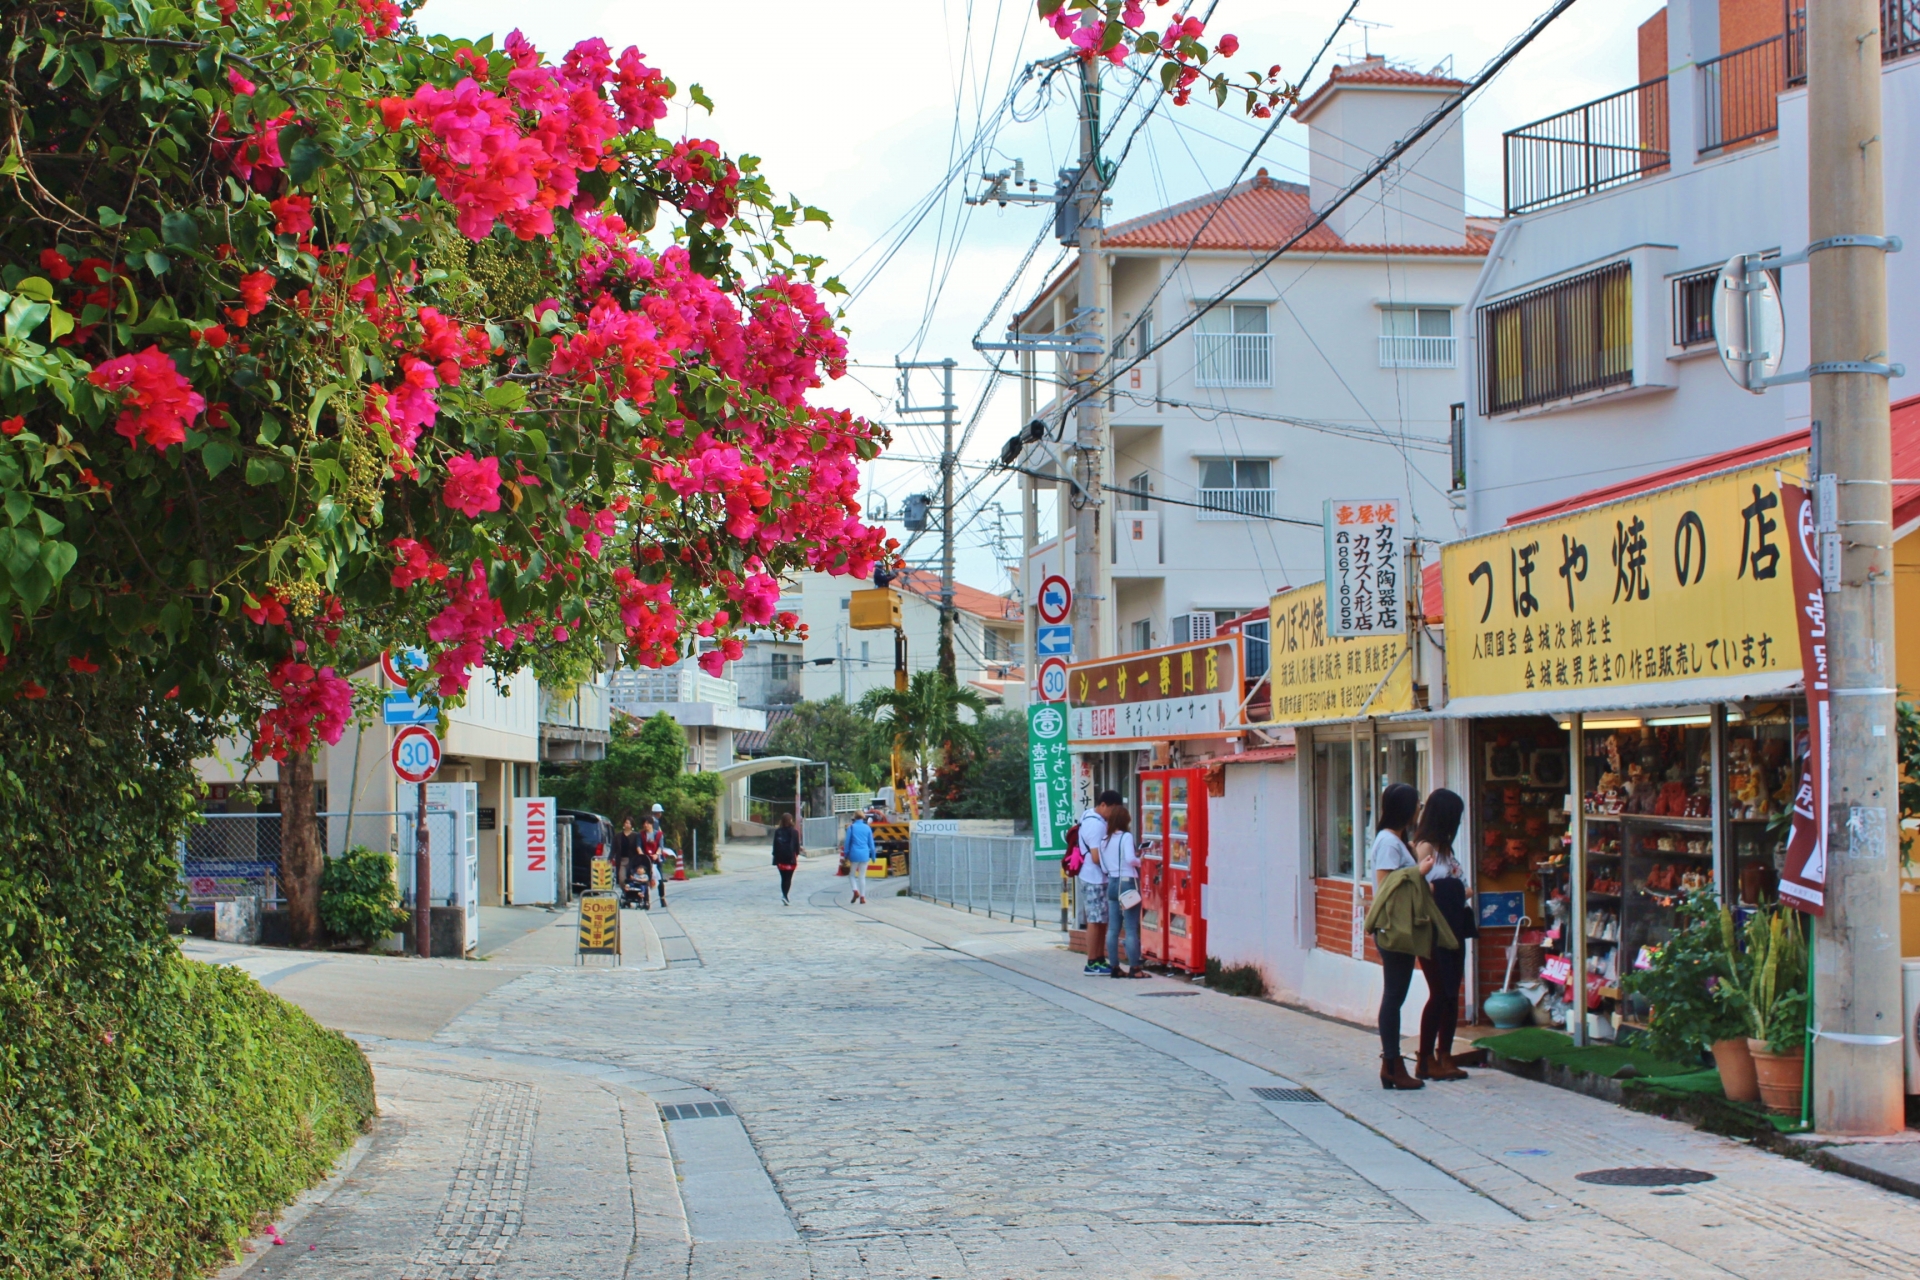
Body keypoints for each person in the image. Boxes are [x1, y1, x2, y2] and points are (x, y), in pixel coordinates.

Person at [1369, 783, 1428, 1090]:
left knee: (1396, 995)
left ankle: (1391, 1064)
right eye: (1417, 804)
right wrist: (1420, 872)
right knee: (1394, 996)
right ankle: (1392, 1062)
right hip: (1393, 927)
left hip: (1400, 926)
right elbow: (1387, 886)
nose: (1419, 809)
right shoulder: (1388, 843)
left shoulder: (1397, 841)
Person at [1414, 789, 1474, 1082]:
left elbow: (1465, 887)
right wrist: (1452, 890)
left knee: (1452, 993)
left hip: (1455, 925)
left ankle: (1445, 1054)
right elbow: (1416, 887)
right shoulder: (1425, 847)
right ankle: (1425, 1057)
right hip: (1432, 929)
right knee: (1438, 992)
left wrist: (1455, 890)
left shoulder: (1446, 850)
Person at [1101, 802, 1147, 978]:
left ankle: (1114, 967)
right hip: (1127, 883)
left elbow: (1103, 866)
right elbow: (1130, 859)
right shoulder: (1126, 837)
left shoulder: (1104, 840)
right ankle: (1135, 968)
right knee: (1130, 928)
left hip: (1112, 883)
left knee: (1113, 929)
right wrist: (1140, 860)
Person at [1075, 791, 1117, 974]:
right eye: (1113, 809)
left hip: (1094, 877)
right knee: (1094, 920)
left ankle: (1099, 959)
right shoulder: (1096, 825)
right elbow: (1096, 857)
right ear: (1104, 805)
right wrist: (1114, 864)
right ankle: (1092, 962)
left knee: (1101, 920)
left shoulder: (1089, 816)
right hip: (1094, 878)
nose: (1114, 814)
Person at [843, 811, 876, 904]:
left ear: (854, 817)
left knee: (852, 875)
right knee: (862, 876)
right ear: (863, 817)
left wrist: (845, 854)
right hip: (865, 854)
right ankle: (862, 897)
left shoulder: (851, 828)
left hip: (854, 854)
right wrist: (873, 856)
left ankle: (855, 891)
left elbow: (847, 843)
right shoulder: (867, 828)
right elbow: (871, 844)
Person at [772, 812, 801, 904]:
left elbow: (775, 845)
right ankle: (785, 895)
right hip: (790, 858)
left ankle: (784, 895)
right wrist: (797, 853)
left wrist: (775, 856)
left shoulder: (778, 831)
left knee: (783, 878)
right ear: (791, 820)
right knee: (788, 878)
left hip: (780, 859)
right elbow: (796, 846)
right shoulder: (794, 832)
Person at [641, 810, 666, 907]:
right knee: (645, 879)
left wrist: (657, 854)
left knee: (660, 880)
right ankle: (646, 900)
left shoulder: (658, 834)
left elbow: (660, 846)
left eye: (647, 823)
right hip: (646, 859)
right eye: (644, 823)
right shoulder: (642, 834)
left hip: (656, 859)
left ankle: (662, 898)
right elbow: (639, 846)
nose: (646, 825)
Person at [614, 817, 641, 889]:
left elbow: (638, 846)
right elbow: (614, 848)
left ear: (632, 825)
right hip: (622, 860)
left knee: (631, 878)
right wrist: (610, 857)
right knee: (621, 879)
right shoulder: (618, 835)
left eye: (629, 823)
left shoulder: (636, 835)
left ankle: (630, 892)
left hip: (632, 860)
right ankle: (625, 891)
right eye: (626, 823)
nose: (627, 825)